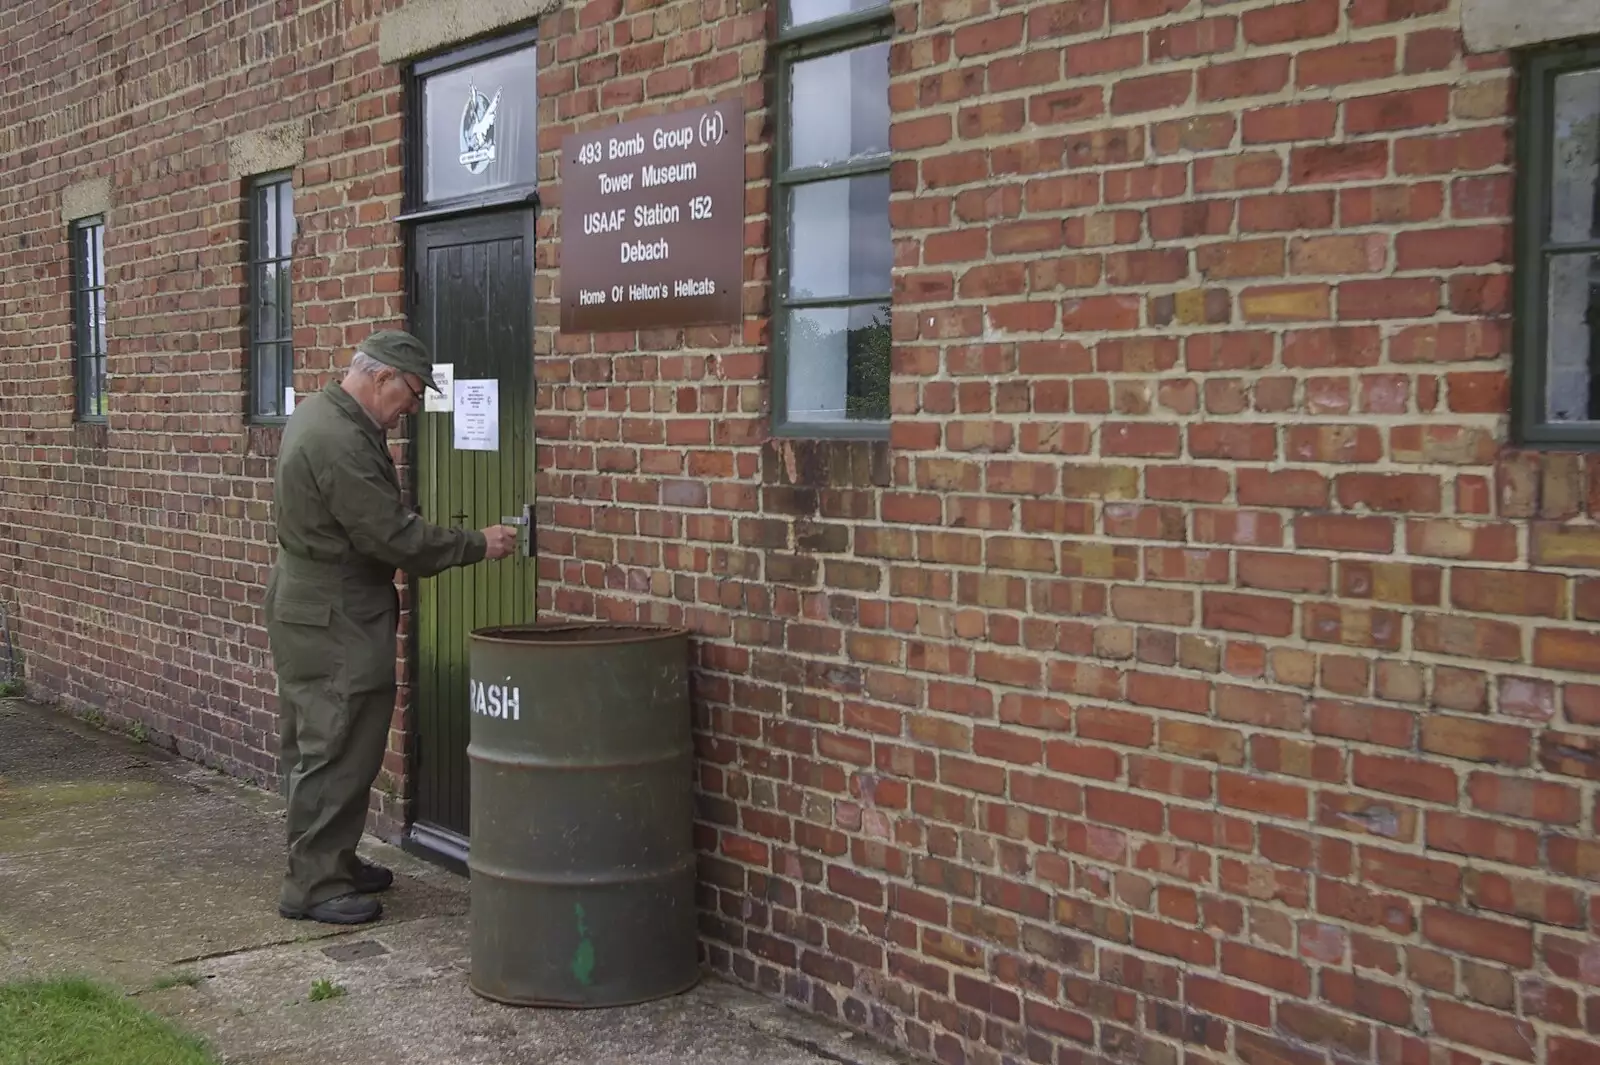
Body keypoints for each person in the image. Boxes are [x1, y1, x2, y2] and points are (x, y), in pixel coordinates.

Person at [264, 329, 518, 925]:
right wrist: (478, 543)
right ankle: (314, 885)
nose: (410, 410)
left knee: (320, 741)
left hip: (317, 606)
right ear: (379, 378)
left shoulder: (327, 415)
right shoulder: (340, 441)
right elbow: (390, 535)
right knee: (337, 741)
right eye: (408, 395)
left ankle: (330, 859)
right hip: (334, 614)